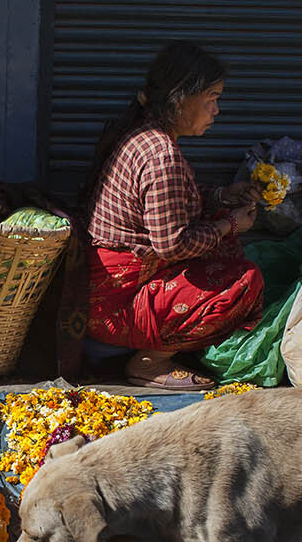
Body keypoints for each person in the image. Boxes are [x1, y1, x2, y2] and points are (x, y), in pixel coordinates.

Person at [81, 41, 264, 390]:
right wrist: (229, 224)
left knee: (223, 250)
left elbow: (168, 206)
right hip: (119, 306)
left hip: (110, 294)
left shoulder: (145, 137)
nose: (216, 110)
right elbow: (171, 244)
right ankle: (150, 362)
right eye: (211, 98)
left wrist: (223, 197)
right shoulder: (161, 153)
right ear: (181, 98)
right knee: (245, 280)